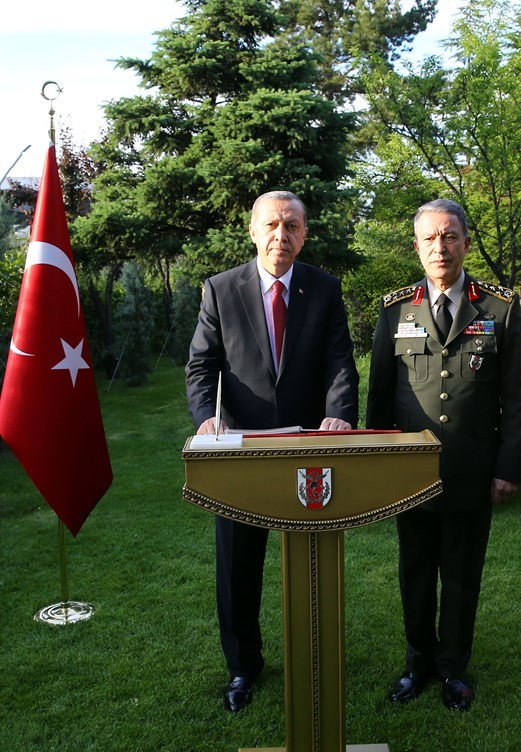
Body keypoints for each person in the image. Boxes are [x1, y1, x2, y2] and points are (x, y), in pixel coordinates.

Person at [186, 190, 359, 713]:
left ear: (304, 234)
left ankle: (314, 653)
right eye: (271, 225)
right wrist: (207, 418)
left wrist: (341, 414)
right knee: (238, 565)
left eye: (291, 227)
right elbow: (201, 367)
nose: (280, 236)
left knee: (312, 559)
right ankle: (243, 666)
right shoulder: (220, 290)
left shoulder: (324, 289)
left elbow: (339, 363)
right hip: (244, 452)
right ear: (253, 230)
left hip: (309, 449)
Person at [366, 199, 521, 711]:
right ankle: (417, 663)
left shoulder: (499, 308)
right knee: (415, 570)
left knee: (461, 574)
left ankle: (452, 668)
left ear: (465, 241)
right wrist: (379, 467)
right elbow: (379, 398)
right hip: (409, 473)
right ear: (416, 247)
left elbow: (517, 398)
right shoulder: (396, 309)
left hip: (470, 471)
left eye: (450, 236)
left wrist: (508, 468)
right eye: (431, 238)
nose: (441, 247)